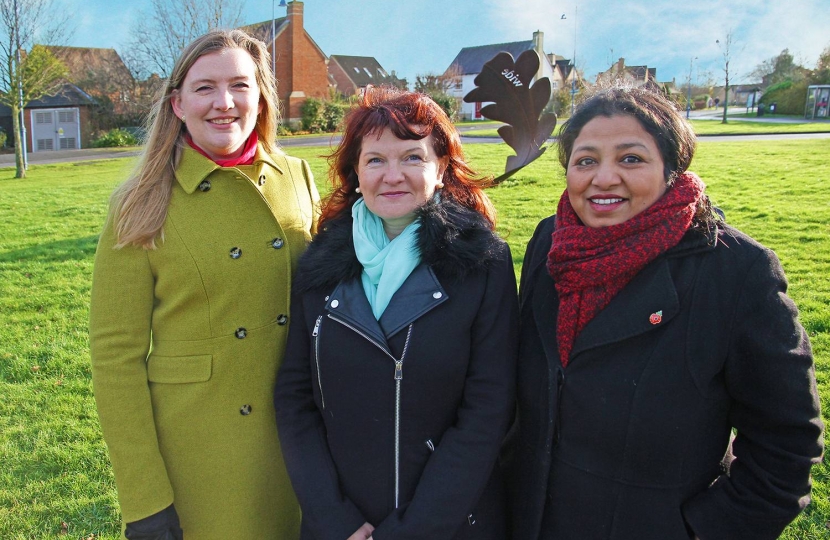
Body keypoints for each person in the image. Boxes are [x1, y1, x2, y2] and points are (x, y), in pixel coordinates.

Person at [506, 86, 823, 540]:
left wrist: (701, 530)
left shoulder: (735, 271)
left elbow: (787, 444)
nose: (604, 177)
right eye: (586, 160)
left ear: (671, 170)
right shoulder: (552, 242)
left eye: (631, 159)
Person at [89, 29, 319, 539]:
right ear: (177, 103)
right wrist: (145, 500)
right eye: (204, 88)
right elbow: (115, 359)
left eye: (240, 85)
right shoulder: (141, 202)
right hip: (201, 454)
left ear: (260, 96)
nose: (224, 103)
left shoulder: (297, 176)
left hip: (299, 443)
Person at [274, 86, 518, 540]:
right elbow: (294, 398)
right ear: (355, 172)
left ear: (441, 168)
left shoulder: (483, 263)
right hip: (342, 525)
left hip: (449, 522)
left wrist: (417, 528)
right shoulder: (320, 265)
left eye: (412, 157)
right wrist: (331, 515)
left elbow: (488, 408)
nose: (393, 176)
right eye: (376, 160)